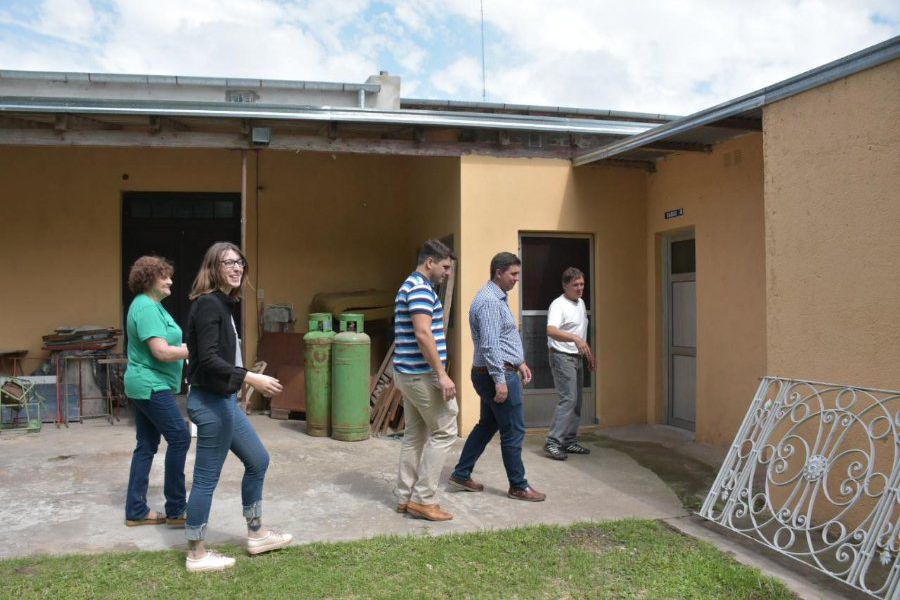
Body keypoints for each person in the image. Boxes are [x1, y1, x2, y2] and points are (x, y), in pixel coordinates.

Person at [183, 242, 291, 573]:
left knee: (258, 460)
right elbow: (209, 360)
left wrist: (240, 384)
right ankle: (196, 553)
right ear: (213, 267)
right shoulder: (207, 305)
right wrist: (251, 379)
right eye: (228, 262)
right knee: (206, 479)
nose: (236, 267)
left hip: (224, 401)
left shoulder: (224, 304)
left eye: (240, 262)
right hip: (210, 403)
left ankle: (256, 534)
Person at [449, 252, 546, 502]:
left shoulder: (494, 297)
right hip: (496, 374)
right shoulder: (491, 302)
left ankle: (461, 474)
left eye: (518, 274)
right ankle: (518, 485)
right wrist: (500, 380)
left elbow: (501, 339)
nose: (516, 279)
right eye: (513, 274)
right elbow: (491, 345)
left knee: (487, 425)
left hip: (496, 371)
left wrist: (519, 361)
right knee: (513, 430)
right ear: (498, 273)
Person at [393, 239, 458, 522]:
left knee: (415, 435)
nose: (447, 273)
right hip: (420, 375)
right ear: (429, 262)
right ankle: (423, 499)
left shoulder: (412, 285)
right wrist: (441, 374)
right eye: (444, 267)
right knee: (446, 429)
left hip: (408, 373)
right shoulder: (420, 289)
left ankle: (404, 497)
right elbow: (423, 334)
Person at [123, 255, 191, 528]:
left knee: (147, 445)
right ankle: (176, 508)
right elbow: (161, 352)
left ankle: (136, 509)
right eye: (165, 276)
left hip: (143, 384)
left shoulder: (150, 306)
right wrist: (194, 351)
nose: (171, 281)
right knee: (180, 437)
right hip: (150, 384)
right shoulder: (147, 308)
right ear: (149, 279)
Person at [544, 267, 595, 460]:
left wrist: (588, 353)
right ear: (565, 286)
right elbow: (551, 330)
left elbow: (580, 333)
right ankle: (553, 442)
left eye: (582, 284)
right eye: (576, 285)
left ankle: (569, 441)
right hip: (561, 356)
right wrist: (575, 339)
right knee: (568, 399)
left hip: (576, 357)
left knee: (577, 401)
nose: (580, 288)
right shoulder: (558, 305)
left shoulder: (580, 303)